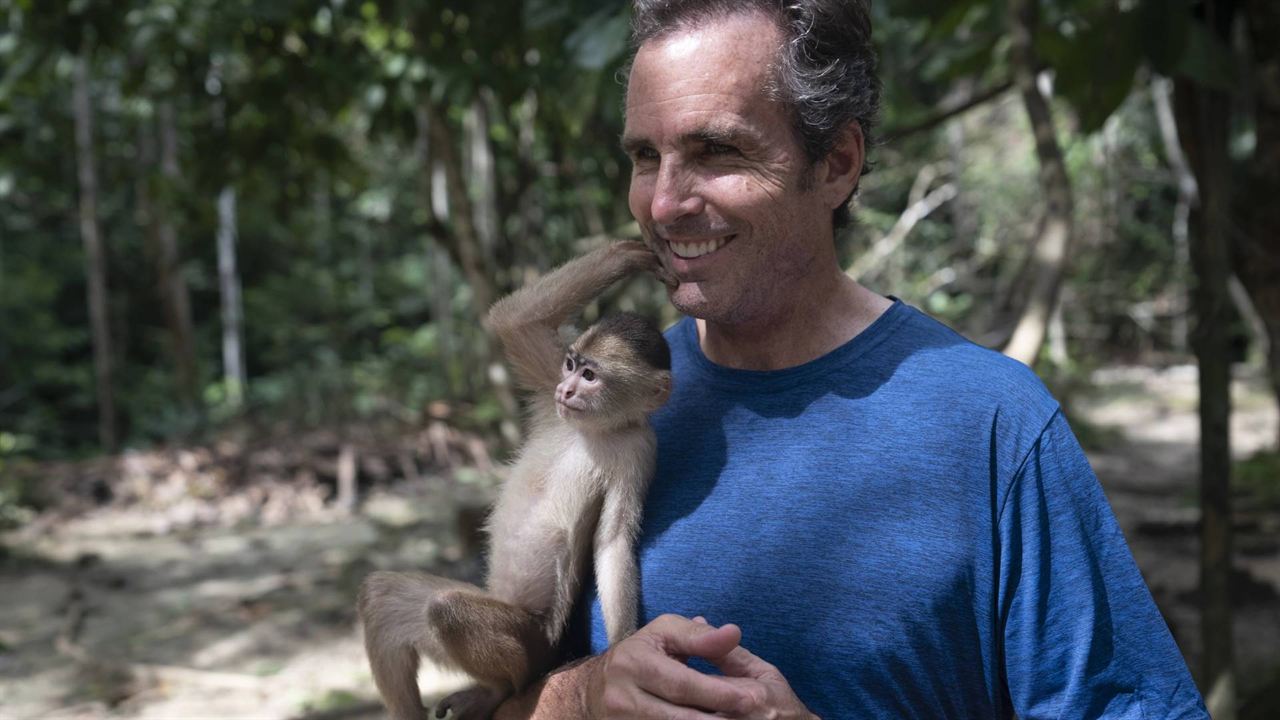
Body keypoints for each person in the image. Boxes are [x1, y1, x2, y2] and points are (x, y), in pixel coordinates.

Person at [497, 1, 1209, 717]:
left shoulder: (993, 423)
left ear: (837, 163)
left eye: (717, 151)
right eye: (646, 157)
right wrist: (580, 696)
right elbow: (492, 693)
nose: (663, 203)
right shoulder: (607, 402)